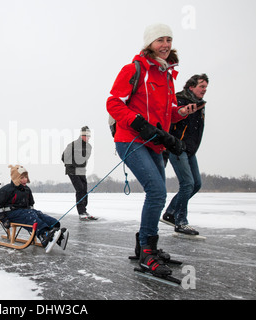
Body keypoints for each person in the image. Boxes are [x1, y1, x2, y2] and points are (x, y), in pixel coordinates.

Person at [106, 23, 197, 277]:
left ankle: (144, 245)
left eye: (169, 39)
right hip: (130, 138)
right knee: (156, 191)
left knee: (159, 193)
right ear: (149, 44)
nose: (166, 44)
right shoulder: (134, 69)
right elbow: (113, 103)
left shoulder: (167, 76)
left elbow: (165, 113)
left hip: (154, 143)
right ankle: (147, 251)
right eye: (160, 40)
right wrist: (137, 122)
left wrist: (180, 112)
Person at [162, 74, 209, 236]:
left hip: (190, 150)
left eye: (205, 87)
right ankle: (181, 221)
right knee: (187, 183)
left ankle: (170, 213)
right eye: (201, 86)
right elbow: (169, 122)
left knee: (196, 184)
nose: (204, 90)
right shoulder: (179, 100)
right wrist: (171, 144)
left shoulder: (200, 105)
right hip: (177, 148)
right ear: (191, 87)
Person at [0, 165, 68, 251]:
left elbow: (31, 203)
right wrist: (3, 219)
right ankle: (43, 235)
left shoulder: (27, 189)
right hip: (11, 214)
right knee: (29, 215)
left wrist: (33, 212)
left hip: (25, 212)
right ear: (15, 178)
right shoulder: (6, 190)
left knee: (39, 214)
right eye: (22, 177)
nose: (25, 179)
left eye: (26, 177)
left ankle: (55, 231)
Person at [61, 126, 96, 221]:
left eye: (89, 136)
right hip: (72, 170)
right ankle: (80, 212)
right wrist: (72, 165)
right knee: (79, 189)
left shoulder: (89, 147)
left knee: (84, 189)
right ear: (82, 135)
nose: (88, 138)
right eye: (86, 136)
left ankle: (84, 210)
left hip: (81, 170)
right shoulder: (72, 145)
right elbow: (64, 157)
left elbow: (85, 159)